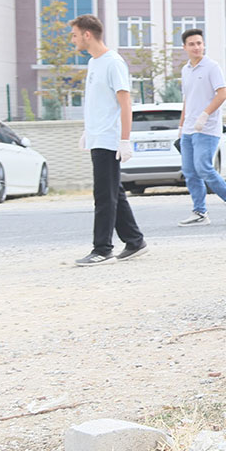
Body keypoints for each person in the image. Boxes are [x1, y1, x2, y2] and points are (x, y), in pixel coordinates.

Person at [71, 14, 147, 266]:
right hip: (97, 136)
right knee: (114, 192)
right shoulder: (94, 63)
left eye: (74, 35)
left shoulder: (113, 62)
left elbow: (125, 102)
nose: (73, 40)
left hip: (109, 139)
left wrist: (125, 140)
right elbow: (98, 104)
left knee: (104, 196)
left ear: (87, 34)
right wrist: (88, 131)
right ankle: (135, 241)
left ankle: (102, 249)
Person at [176, 29, 226, 226]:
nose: (197, 47)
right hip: (189, 129)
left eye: (199, 43)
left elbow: (222, 94)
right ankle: (199, 212)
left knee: (203, 167)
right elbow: (187, 99)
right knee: (189, 171)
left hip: (207, 128)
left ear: (203, 45)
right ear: (185, 47)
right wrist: (181, 127)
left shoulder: (212, 67)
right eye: (192, 44)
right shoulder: (185, 69)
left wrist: (205, 115)